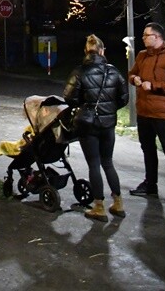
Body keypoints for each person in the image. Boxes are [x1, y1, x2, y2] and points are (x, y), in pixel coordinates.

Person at [63, 33, 129, 220]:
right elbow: (124, 98)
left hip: (88, 124)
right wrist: (109, 109)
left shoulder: (80, 72)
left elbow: (69, 98)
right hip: (108, 125)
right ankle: (118, 203)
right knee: (108, 162)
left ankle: (98, 206)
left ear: (87, 51)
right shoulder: (114, 71)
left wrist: (85, 105)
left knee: (94, 164)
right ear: (102, 51)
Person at [128, 22, 165, 208]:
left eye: (146, 36)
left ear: (157, 37)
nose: (143, 38)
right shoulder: (142, 56)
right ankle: (150, 184)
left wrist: (154, 85)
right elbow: (131, 74)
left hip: (164, 113)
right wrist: (135, 79)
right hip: (144, 111)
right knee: (148, 149)